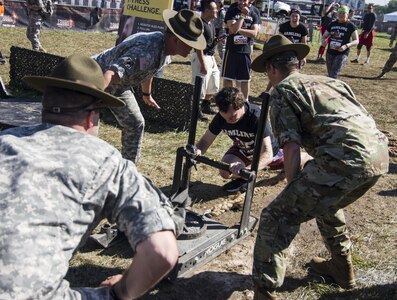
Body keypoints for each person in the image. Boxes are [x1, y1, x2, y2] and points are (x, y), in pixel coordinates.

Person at [0, 54, 180, 299]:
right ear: (91, 116)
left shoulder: (5, 141)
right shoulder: (107, 162)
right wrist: (118, 292)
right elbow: (162, 252)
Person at [250, 34, 389, 300]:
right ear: (298, 63)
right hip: (378, 156)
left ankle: (264, 290)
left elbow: (290, 147)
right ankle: (341, 267)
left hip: (344, 158)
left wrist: (292, 191)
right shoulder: (333, 82)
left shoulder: (282, 91)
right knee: (327, 200)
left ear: (271, 68)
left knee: (276, 216)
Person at [93, 9, 206, 163]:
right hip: (95, 79)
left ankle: (128, 169)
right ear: (176, 40)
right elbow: (112, 73)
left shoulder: (163, 48)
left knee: (135, 123)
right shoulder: (148, 51)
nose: (192, 49)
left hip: (119, 85)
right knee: (89, 124)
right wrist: (92, 99)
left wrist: (147, 94)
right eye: (190, 44)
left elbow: (149, 71)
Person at [195, 87, 282, 193]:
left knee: (294, 162)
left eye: (232, 117)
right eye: (225, 118)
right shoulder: (221, 118)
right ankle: (243, 179)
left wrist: (246, 170)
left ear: (241, 106)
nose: (229, 121)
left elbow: (267, 153)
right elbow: (205, 141)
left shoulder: (256, 117)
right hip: (243, 149)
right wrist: (197, 150)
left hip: (268, 152)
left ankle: (303, 157)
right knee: (224, 171)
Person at [222, 0, 260, 101]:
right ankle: (228, 100)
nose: (242, 1)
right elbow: (233, 30)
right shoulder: (231, 11)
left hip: (246, 51)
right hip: (232, 50)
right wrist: (242, 16)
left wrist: (238, 30)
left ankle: (245, 101)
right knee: (228, 78)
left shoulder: (254, 13)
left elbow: (254, 33)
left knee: (245, 79)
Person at [192, 0, 220, 120]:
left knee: (213, 82)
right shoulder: (200, 24)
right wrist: (203, 63)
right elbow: (198, 45)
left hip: (211, 56)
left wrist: (216, 41)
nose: (217, 11)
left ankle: (206, 105)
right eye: (214, 9)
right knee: (200, 85)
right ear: (207, 11)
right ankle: (195, 111)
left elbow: (208, 42)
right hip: (202, 57)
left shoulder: (210, 23)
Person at [321, 5, 358, 79]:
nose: (341, 15)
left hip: (342, 53)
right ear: (337, 14)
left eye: (343, 13)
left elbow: (356, 40)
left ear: (347, 15)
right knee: (330, 74)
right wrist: (323, 41)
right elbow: (324, 36)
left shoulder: (351, 26)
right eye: (339, 13)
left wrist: (346, 46)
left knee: (333, 74)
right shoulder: (332, 24)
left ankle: (332, 89)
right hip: (330, 52)